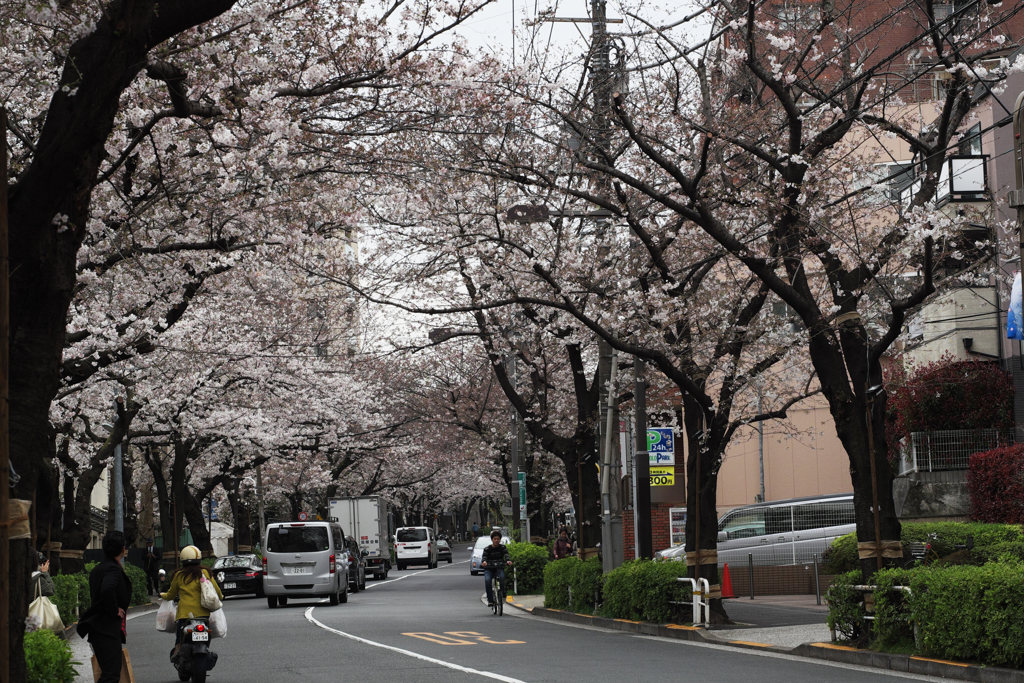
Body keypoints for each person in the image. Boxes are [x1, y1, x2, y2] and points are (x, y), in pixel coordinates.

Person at [77, 530, 132, 683]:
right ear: (123, 549)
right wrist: (114, 610)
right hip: (107, 629)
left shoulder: (98, 569)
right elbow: (107, 589)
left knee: (109, 673)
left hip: (98, 628)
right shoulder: (113, 568)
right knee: (111, 675)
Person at [160, 545, 223, 665]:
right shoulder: (205, 573)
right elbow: (217, 592)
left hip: (185, 616)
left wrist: (163, 595)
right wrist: (221, 597)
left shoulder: (179, 575)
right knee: (207, 633)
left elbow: (171, 595)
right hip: (204, 615)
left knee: (180, 637)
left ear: (182, 559)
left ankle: (178, 649)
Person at [480, 530, 511, 606]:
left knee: (502, 578)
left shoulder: (502, 547)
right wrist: (484, 562)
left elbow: (506, 555)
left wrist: (508, 561)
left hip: (499, 567)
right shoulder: (487, 549)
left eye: (498, 539)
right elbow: (484, 557)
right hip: (489, 568)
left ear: (500, 540)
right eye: (495, 539)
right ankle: (490, 600)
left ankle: (503, 593)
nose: (496, 540)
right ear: (492, 540)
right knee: (487, 580)